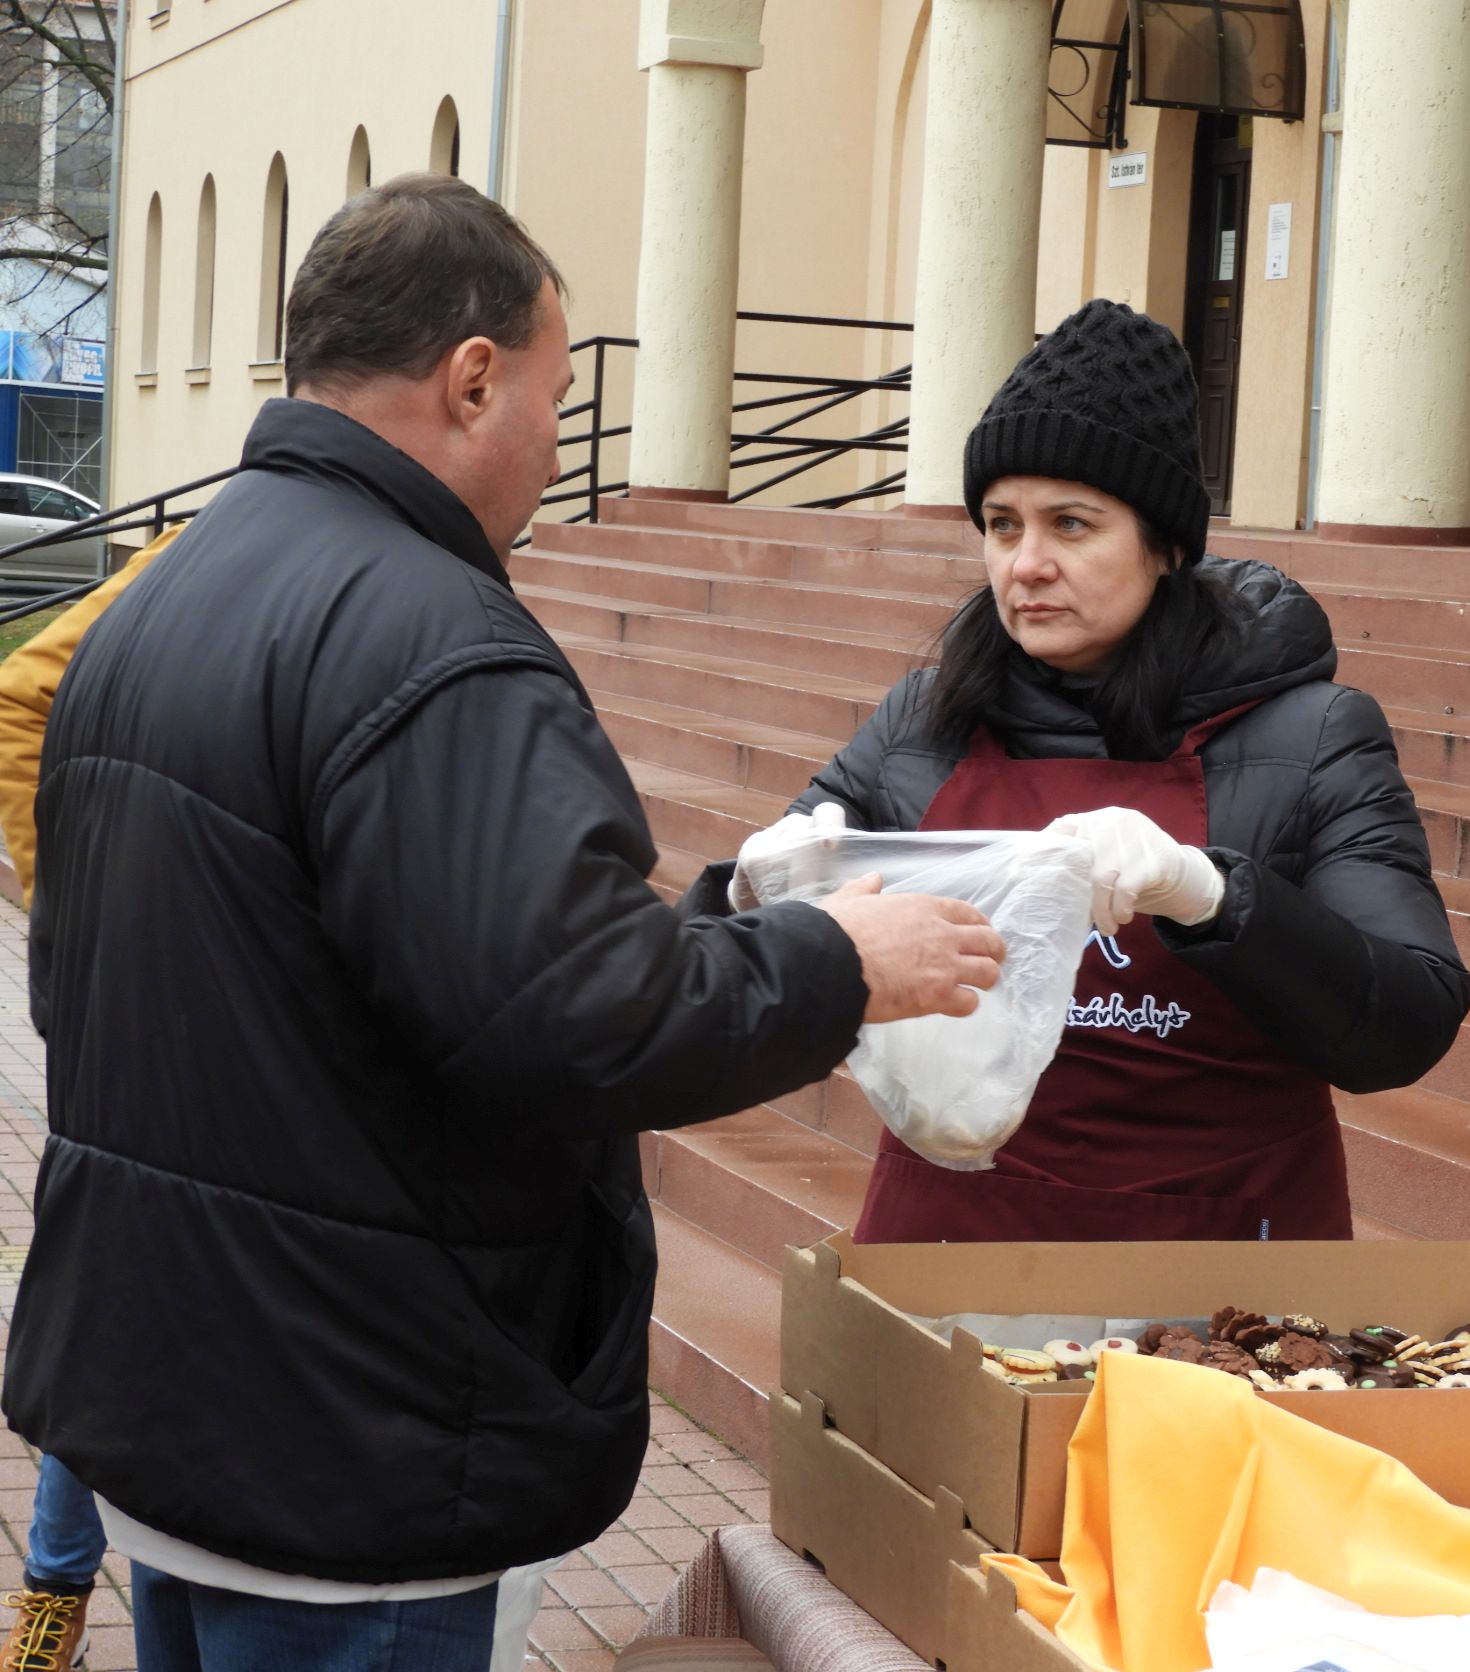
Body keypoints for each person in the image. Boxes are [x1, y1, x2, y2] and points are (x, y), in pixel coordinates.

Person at [5, 174, 1004, 1672]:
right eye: (551, 384)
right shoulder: (434, 637)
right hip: (357, 1449)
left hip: (195, 1410)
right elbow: (573, 1018)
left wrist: (719, 919)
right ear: (473, 377)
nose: (553, 430)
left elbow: (387, 962)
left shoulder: (168, 595)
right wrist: (838, 964)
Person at [714, 299, 1470, 1242]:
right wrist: (758, 896)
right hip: (950, 1242)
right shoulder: (924, 724)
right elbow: (716, 972)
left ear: (1163, 547)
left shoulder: (1314, 737)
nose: (1024, 566)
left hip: (1216, 1263)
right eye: (1000, 525)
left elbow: (1407, 1020)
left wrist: (1212, 896)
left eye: (1071, 525)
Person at [0, 525, 179, 1671]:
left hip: (207, 1020)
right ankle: (55, 1600)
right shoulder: (192, 561)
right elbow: (21, 693)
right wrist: (68, 895)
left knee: (153, 1306)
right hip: (146, 1009)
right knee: (115, 1285)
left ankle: (123, 1599)